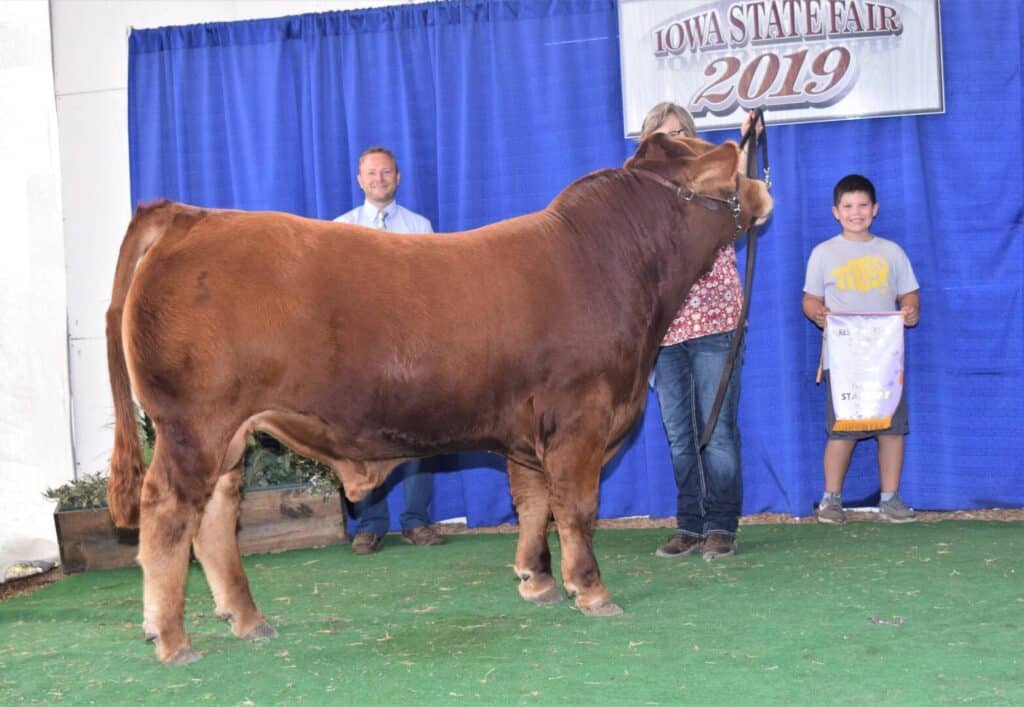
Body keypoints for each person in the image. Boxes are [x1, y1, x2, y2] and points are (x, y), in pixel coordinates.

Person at [645, 103, 758, 561]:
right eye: (662, 134)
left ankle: (721, 524)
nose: (672, 140)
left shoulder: (712, 181)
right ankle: (689, 523)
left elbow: (744, 199)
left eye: (679, 132)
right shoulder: (641, 193)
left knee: (718, 430)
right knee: (679, 432)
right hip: (665, 328)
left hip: (715, 319)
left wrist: (744, 141)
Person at [334, 146, 442, 553]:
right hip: (361, 353)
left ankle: (416, 520)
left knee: (418, 433)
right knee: (363, 436)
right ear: (359, 180)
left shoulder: (420, 227)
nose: (379, 179)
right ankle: (369, 523)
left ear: (398, 178)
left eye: (386, 172)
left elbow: (435, 294)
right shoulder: (338, 230)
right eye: (371, 173)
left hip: (412, 349)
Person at [802, 174, 921, 524]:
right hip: (845, 357)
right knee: (843, 428)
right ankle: (831, 498)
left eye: (863, 205)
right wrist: (818, 313)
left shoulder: (891, 251)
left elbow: (909, 293)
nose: (856, 212)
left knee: (892, 428)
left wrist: (912, 309)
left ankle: (890, 497)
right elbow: (810, 299)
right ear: (836, 212)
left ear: (875, 209)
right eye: (848, 206)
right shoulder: (823, 253)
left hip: (886, 357)